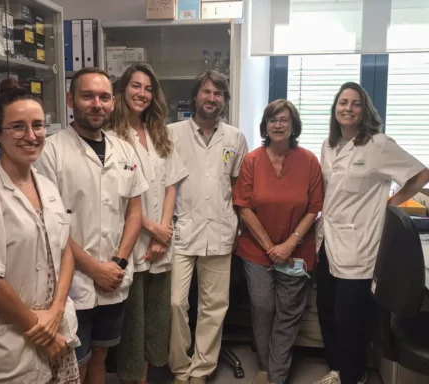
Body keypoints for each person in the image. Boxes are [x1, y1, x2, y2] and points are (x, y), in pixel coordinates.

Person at [0, 82, 80, 383]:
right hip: (10, 342)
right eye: (17, 127)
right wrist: (42, 331)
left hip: (54, 326)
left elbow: (64, 251)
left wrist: (55, 312)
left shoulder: (47, 186)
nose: (31, 136)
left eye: (38, 126)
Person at [35, 67, 148, 384]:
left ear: (113, 103)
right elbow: (50, 224)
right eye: (87, 96)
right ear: (71, 100)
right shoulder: (51, 151)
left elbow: (134, 211)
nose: (96, 104)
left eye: (103, 97)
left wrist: (118, 263)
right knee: (75, 363)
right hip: (73, 284)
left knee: (101, 355)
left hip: (114, 279)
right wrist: (94, 268)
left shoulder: (124, 150)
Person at [314, 82, 429, 384]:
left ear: (364, 110)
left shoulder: (378, 144)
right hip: (327, 240)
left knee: (348, 318)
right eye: (342, 102)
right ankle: (338, 370)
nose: (347, 108)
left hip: (360, 245)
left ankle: (353, 376)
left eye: (355, 103)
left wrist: (391, 202)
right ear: (334, 108)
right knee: (326, 310)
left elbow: (420, 174)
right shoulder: (329, 145)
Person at [108, 62, 188, 384]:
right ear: (123, 90)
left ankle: (144, 377)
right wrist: (152, 229)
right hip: (132, 243)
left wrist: (163, 233)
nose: (142, 93)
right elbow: (118, 197)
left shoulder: (159, 132)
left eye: (148, 88)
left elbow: (171, 185)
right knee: (132, 326)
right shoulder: (111, 137)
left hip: (160, 246)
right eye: (135, 86)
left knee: (156, 321)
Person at [233, 99, 324, 384]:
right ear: (265, 125)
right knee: (262, 306)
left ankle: (276, 374)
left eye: (284, 119)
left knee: (288, 312)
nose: (278, 124)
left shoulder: (309, 160)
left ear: (294, 125)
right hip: (256, 250)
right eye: (273, 119)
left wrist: (289, 244)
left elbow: (314, 208)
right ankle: (265, 363)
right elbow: (243, 206)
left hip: (297, 252)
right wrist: (271, 247)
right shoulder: (252, 160)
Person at [168, 70, 248, 384]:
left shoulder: (235, 138)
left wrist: (238, 229)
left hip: (220, 230)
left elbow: (237, 187)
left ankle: (201, 369)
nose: (211, 98)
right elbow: (165, 183)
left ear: (224, 100)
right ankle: (180, 366)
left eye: (218, 93)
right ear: (196, 95)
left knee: (214, 306)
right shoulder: (172, 133)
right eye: (206, 91)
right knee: (175, 302)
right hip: (182, 230)